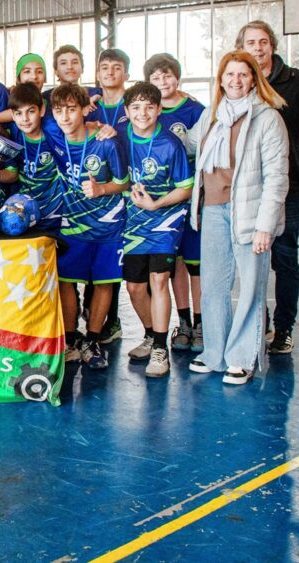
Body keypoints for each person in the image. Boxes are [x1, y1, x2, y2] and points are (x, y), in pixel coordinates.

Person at [186, 51, 289, 385]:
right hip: (213, 210)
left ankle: (242, 358)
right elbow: (186, 142)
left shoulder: (267, 118)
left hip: (250, 213)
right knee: (214, 287)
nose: (236, 81)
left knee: (250, 289)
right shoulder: (211, 116)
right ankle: (214, 354)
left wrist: (265, 226)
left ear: (254, 79)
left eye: (243, 75)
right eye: (229, 75)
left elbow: (277, 177)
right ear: (220, 80)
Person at [236, 21, 299, 355]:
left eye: (264, 41)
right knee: (251, 262)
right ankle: (258, 325)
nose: (258, 47)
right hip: (243, 191)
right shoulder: (237, 81)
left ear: (273, 46)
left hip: (287, 188)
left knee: (284, 259)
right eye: (251, 42)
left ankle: (283, 329)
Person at [49, 84, 130, 369]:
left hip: (108, 224)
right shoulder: (54, 137)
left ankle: (93, 339)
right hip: (72, 224)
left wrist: (102, 189)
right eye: (59, 111)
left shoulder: (107, 141)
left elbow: (125, 182)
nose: (65, 117)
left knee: (104, 281)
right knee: (66, 280)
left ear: (84, 109)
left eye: (72, 109)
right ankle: (71, 339)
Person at [120, 83, 194, 378]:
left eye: (149, 107)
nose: (143, 113)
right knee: (135, 287)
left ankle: (161, 349)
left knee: (159, 279)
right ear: (127, 112)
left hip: (165, 221)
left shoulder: (170, 143)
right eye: (136, 107)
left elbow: (185, 188)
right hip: (133, 224)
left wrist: (157, 204)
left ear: (159, 109)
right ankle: (151, 334)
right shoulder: (120, 137)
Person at [144, 53, 206, 352]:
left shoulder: (196, 109)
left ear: (177, 77)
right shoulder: (149, 112)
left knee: (197, 264)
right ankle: (183, 323)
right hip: (161, 202)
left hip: (191, 197)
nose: (162, 82)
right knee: (175, 263)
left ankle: (201, 323)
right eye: (155, 78)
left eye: (167, 76)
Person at [9, 83, 63, 232]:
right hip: (24, 213)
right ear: (12, 115)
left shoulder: (55, 134)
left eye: (30, 111)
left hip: (56, 215)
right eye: (19, 113)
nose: (25, 119)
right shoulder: (14, 131)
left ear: (42, 110)